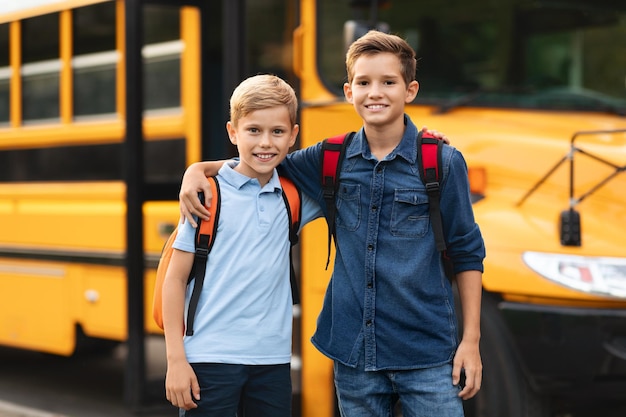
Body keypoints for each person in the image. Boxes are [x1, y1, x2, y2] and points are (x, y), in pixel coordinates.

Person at [179, 30, 485, 417]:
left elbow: (467, 252)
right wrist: (197, 170)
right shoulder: (330, 158)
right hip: (353, 353)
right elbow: (261, 159)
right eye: (364, 83)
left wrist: (470, 340)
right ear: (348, 91)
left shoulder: (442, 162)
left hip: (426, 353)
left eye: (388, 82)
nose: (375, 92)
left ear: (410, 90)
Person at [162, 74, 323, 417]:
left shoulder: (293, 197)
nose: (266, 142)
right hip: (208, 358)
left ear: (293, 136)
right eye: (253, 131)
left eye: (277, 132)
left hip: (272, 361)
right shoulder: (206, 195)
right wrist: (176, 359)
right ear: (233, 132)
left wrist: (425, 142)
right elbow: (174, 280)